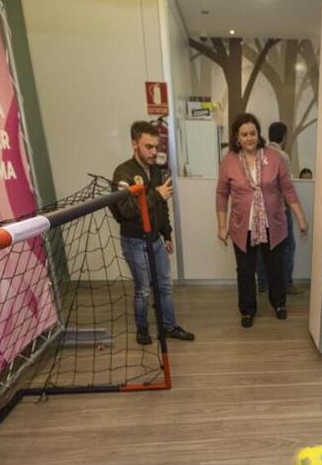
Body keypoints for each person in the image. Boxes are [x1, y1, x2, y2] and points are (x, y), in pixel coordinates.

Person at [216, 113, 308, 328]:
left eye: (253, 133)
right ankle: (247, 310)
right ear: (237, 137)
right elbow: (221, 193)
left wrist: (301, 218)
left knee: (275, 266)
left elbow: (287, 189)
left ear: (259, 134)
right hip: (242, 225)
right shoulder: (229, 160)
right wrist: (221, 226)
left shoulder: (273, 157)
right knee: (245, 269)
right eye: (244, 134)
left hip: (272, 223)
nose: (249, 138)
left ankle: (279, 303)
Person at [112, 121, 194, 345]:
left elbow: (161, 206)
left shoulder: (156, 171)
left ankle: (168, 327)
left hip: (155, 240)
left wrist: (166, 235)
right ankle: (142, 329)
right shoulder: (123, 173)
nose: (153, 152)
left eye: (156, 147)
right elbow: (126, 210)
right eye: (148, 147)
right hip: (134, 241)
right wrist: (156, 196)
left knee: (165, 285)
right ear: (134, 144)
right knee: (144, 290)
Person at [256, 122, 303, 296]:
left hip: (261, 208)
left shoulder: (261, 154)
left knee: (262, 246)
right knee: (287, 245)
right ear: (284, 136)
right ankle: (287, 283)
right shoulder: (282, 155)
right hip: (279, 209)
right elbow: (286, 186)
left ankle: (262, 283)